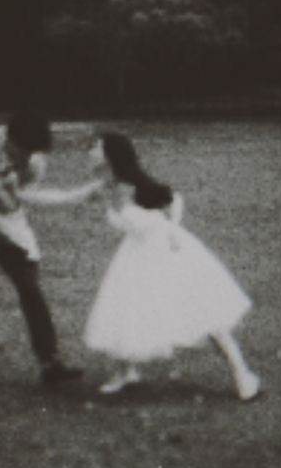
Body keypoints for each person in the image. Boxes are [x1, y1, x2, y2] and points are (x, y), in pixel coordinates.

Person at [84, 132, 260, 401]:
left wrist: (173, 230)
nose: (90, 152)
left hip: (169, 252)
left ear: (110, 154)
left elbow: (174, 199)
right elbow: (65, 198)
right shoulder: (106, 185)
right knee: (123, 306)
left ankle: (242, 375)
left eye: (95, 147)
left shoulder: (133, 184)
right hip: (135, 255)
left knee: (204, 311)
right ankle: (125, 372)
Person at [0, 112, 102, 395]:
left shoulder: (34, 163)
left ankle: (50, 363)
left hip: (9, 229)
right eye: (22, 150)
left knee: (30, 288)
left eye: (31, 152)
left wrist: (77, 195)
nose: (26, 156)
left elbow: (27, 198)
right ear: (8, 137)